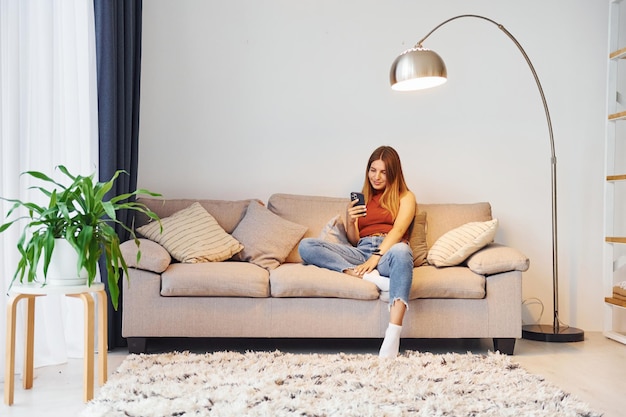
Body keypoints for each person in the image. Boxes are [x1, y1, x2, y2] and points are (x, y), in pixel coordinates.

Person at [298, 145, 416, 358]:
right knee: (307, 246)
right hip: (361, 252)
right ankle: (362, 275)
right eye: (373, 170)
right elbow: (354, 240)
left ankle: (393, 333)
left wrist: (376, 257)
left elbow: (398, 231)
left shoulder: (405, 197)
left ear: (393, 173)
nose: (377, 176)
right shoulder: (361, 197)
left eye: (383, 172)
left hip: (387, 252)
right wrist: (351, 221)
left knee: (402, 251)